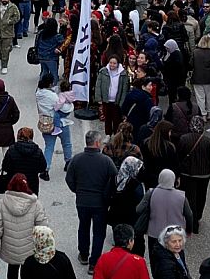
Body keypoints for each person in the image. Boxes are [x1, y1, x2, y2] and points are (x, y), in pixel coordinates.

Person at [66, 130, 118, 274]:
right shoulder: (106, 161)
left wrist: (77, 190)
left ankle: (83, 254)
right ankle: (94, 263)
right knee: (99, 232)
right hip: (100, 202)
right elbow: (115, 178)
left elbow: (69, 179)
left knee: (83, 226)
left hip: (82, 201)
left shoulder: (76, 159)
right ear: (96, 143)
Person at [0, 174, 49, 279]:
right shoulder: (35, 204)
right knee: (28, 272)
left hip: (10, 248)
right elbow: (43, 226)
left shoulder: (3, 203)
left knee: (12, 271)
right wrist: (44, 246)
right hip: (29, 248)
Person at [176, 119, 210, 234]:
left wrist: (177, 174)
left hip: (187, 174)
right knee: (201, 196)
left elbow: (178, 157)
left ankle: (190, 221)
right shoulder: (207, 141)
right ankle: (197, 217)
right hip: (203, 175)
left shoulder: (183, 139)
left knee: (189, 199)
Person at [146, 170, 193, 266]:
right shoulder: (181, 196)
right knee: (176, 261)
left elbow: (139, 209)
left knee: (155, 261)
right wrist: (189, 230)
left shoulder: (151, 192)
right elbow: (189, 215)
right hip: (175, 234)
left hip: (155, 234)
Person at [107, 156, 146, 256]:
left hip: (116, 216)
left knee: (120, 242)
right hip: (131, 218)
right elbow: (141, 201)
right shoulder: (135, 184)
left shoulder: (115, 179)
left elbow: (107, 195)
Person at [1, 128, 47, 195]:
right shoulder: (38, 151)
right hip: (32, 183)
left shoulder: (11, 150)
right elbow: (42, 167)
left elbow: (5, 167)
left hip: (15, 182)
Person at [94, 56, 130, 136]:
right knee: (107, 119)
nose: (112, 65)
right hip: (106, 100)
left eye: (114, 63)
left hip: (116, 101)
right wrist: (99, 98)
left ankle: (116, 136)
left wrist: (121, 102)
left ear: (118, 64)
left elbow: (124, 89)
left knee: (117, 119)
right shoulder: (103, 71)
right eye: (111, 63)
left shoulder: (123, 74)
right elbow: (98, 85)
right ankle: (108, 134)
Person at [140, 121, 178, 188]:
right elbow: (174, 165)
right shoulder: (170, 147)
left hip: (149, 179)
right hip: (165, 179)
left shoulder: (146, 144)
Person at [0, 0, 21, 74]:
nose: (4, 0)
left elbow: (17, 17)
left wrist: (10, 21)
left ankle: (4, 66)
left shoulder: (13, 7)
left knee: (5, 50)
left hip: (8, 32)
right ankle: (4, 57)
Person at [191, 35, 210, 120]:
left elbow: (191, 64)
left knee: (200, 97)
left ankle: (203, 115)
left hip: (197, 77)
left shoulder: (195, 52)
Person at [35, 18, 64, 84]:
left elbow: (37, 43)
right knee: (54, 74)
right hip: (51, 58)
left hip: (41, 56)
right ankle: (54, 88)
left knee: (44, 72)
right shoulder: (57, 36)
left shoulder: (41, 34)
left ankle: (42, 87)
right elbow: (63, 43)